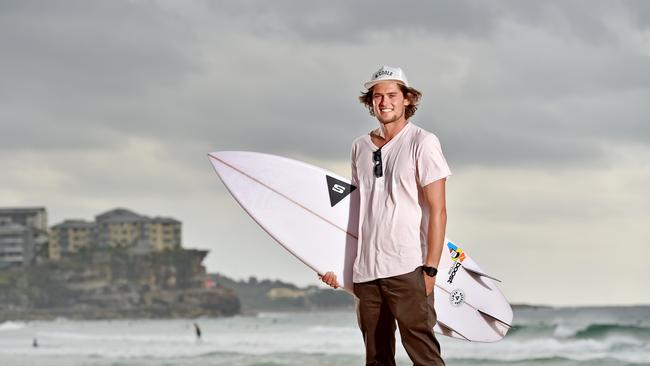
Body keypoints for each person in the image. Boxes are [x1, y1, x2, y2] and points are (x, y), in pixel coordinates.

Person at [320, 66, 450, 365]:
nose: (384, 102)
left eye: (392, 95)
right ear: (370, 103)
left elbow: (438, 209)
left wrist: (430, 269)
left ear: (407, 99)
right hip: (366, 272)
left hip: (407, 267)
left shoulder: (423, 142)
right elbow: (354, 211)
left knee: (424, 356)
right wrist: (334, 263)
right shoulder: (359, 147)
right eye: (377, 96)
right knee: (376, 358)